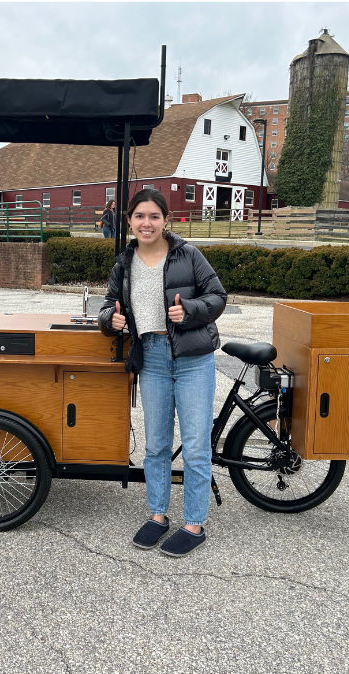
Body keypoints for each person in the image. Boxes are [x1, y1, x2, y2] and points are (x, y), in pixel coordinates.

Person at [97, 189, 228, 557]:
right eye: (139, 216)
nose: (147, 223)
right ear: (129, 221)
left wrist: (188, 309)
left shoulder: (188, 254)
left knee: (196, 446)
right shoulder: (124, 262)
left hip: (192, 359)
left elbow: (217, 297)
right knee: (155, 444)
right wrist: (112, 319)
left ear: (166, 220)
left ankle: (194, 523)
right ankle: (158, 515)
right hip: (151, 357)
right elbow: (108, 306)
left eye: (154, 216)